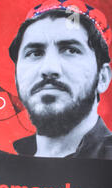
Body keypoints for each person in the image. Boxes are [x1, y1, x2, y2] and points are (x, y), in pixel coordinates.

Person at [9, 0, 112, 159]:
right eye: (35, 53)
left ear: (103, 77)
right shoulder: (2, 164)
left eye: (71, 50)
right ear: (16, 76)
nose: (49, 68)